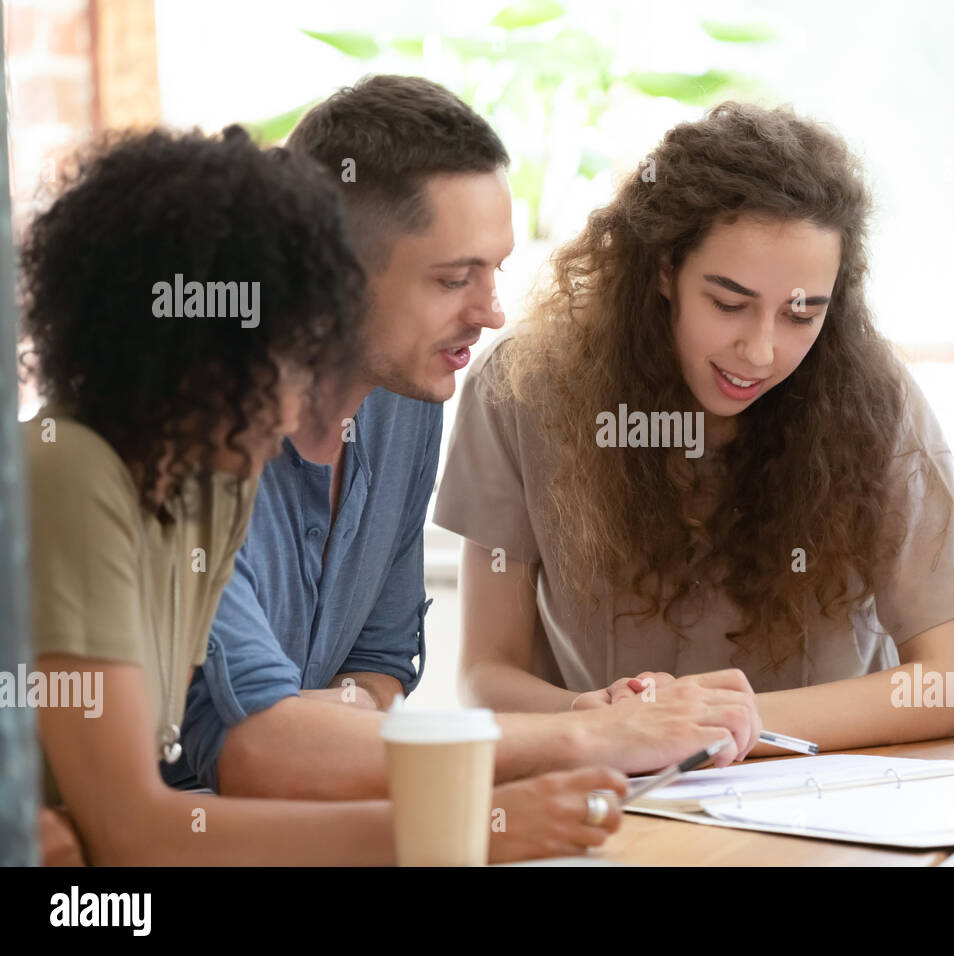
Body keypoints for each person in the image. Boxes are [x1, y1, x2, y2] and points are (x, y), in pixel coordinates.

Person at [25, 125, 625, 864]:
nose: (299, 409)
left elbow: (147, 819)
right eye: (294, 358)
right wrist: (471, 825)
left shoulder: (207, 486)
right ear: (198, 352)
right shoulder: (73, 474)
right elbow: (135, 829)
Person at [172, 76, 758, 815]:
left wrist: (339, 723)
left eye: (495, 269)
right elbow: (252, 752)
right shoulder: (190, 433)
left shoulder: (404, 399)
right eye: (454, 279)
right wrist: (590, 738)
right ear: (330, 276)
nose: (491, 312)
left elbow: (377, 661)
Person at [435, 102, 954, 755]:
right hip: (611, 789)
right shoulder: (524, 390)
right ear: (664, 270)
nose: (760, 351)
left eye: (802, 315)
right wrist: (603, 724)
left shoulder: (876, 402)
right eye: (729, 304)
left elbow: (953, 686)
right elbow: (485, 674)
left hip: (821, 798)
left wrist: (717, 724)